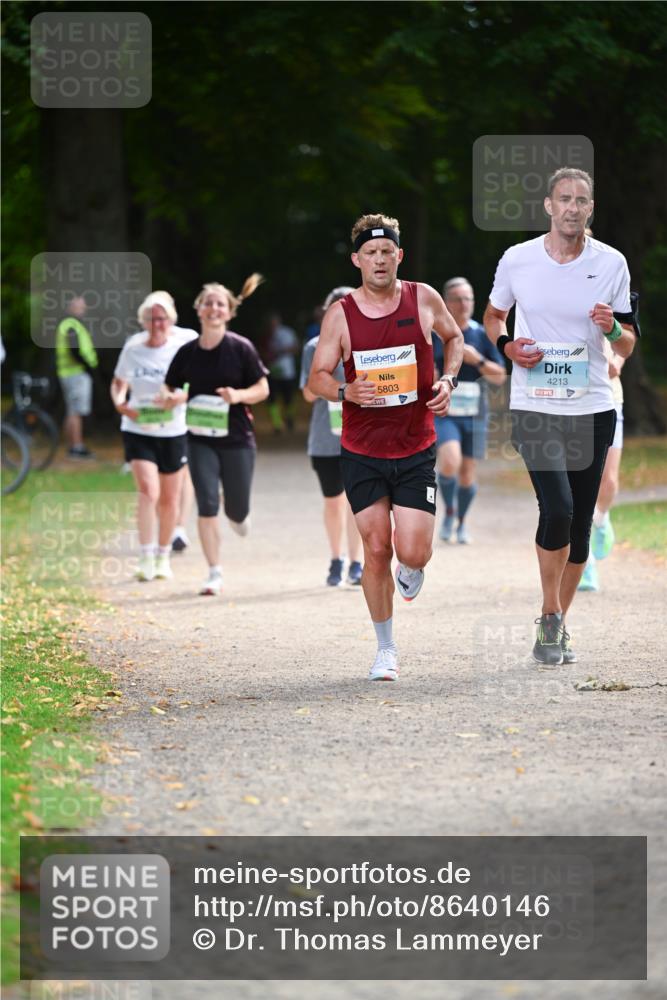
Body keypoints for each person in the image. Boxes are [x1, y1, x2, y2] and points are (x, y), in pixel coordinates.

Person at [483, 167, 638, 666]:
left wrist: (613, 327)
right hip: (534, 404)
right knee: (558, 508)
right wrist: (508, 346)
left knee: (580, 525)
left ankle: (556, 626)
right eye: (564, 199)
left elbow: (629, 340)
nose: (573, 207)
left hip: (592, 405)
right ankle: (550, 614)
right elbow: (492, 317)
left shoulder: (611, 264)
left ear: (591, 209)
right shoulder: (518, 260)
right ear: (548, 206)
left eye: (582, 201)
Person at [308, 213, 463, 681]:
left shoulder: (423, 298)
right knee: (376, 548)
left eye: (387, 252)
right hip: (362, 449)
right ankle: (385, 649)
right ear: (357, 260)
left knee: (413, 552)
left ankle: (412, 570)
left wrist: (449, 378)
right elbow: (317, 377)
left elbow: (454, 338)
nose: (379, 259)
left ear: (400, 255)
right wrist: (343, 391)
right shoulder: (341, 314)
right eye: (370, 253)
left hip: (416, 445)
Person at [165, 276, 269, 596]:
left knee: (236, 511)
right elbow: (171, 385)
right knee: (206, 502)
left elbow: (262, 389)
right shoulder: (187, 352)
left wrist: (237, 396)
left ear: (229, 312)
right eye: (207, 302)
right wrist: (175, 397)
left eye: (219, 303)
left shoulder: (241, 348)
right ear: (198, 310)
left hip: (237, 438)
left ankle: (237, 511)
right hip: (199, 438)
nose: (213, 308)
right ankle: (213, 572)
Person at [111, 292, 197, 581]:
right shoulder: (133, 347)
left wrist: (179, 397)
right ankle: (145, 556)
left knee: (170, 499)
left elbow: (199, 383)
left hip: (172, 429)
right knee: (149, 491)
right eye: (150, 318)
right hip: (138, 428)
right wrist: (120, 402)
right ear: (143, 321)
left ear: (170, 319)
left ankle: (163, 556)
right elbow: (119, 382)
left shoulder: (184, 343)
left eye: (161, 318)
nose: (156, 323)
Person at [434, 277, 507, 544]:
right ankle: (449, 512)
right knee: (450, 461)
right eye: (457, 299)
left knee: (467, 472)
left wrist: (477, 360)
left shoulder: (482, 335)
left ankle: (461, 521)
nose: (464, 304)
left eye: (468, 298)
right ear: (446, 303)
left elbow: (500, 376)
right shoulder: (435, 335)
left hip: (475, 413)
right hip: (445, 412)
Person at [300, 286, 363, 587]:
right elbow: (308, 394)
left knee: (357, 503)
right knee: (333, 502)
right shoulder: (314, 347)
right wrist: (334, 384)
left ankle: (356, 563)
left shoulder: (369, 344)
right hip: (325, 438)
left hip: (362, 436)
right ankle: (336, 559)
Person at [56, 296, 99, 459]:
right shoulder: (71, 325)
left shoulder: (68, 324)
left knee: (71, 411)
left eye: (83, 306)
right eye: (78, 306)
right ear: (69, 307)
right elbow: (75, 350)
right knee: (76, 412)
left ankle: (72, 445)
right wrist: (87, 366)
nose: (83, 309)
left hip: (68, 372)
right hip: (75, 372)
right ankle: (77, 446)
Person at [263, 312, 300, 432]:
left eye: (274, 322)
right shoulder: (266, 335)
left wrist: (281, 351)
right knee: (271, 398)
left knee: (288, 398)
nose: (272, 324)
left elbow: (296, 348)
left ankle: (289, 418)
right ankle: (277, 424)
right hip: (272, 371)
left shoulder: (287, 332)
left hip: (287, 371)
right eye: (270, 322)